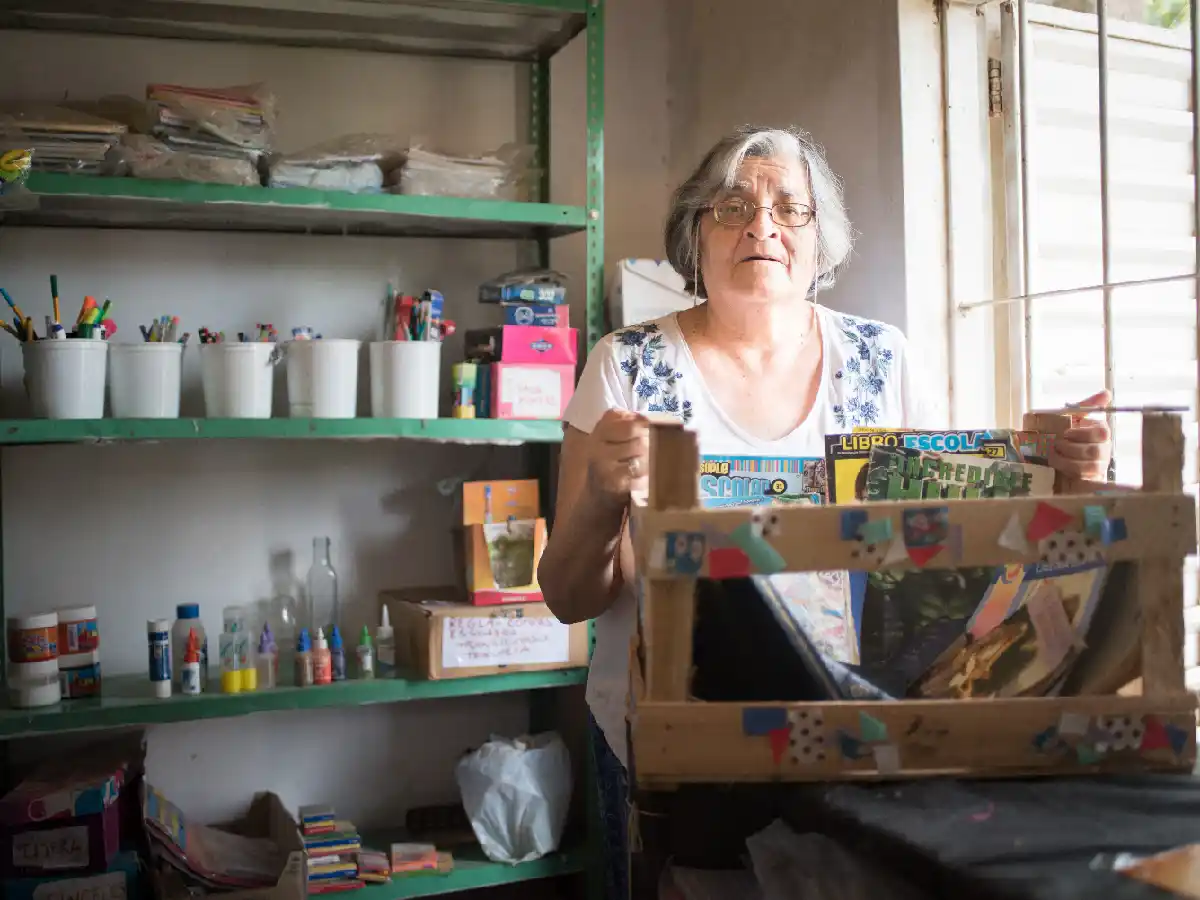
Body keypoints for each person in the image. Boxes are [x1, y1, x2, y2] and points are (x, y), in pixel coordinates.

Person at [537, 124, 1111, 898]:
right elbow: (568, 596)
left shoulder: (883, 358)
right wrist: (604, 499)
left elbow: (946, 552)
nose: (762, 226)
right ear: (693, 235)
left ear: (821, 242)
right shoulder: (626, 365)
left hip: (859, 720)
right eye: (732, 205)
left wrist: (1060, 470)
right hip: (675, 733)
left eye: (790, 209)